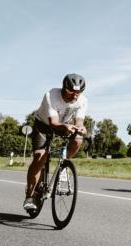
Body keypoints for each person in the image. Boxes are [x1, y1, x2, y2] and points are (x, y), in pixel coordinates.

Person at [23, 73, 89, 212]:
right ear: (64, 88)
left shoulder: (83, 101)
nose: (75, 95)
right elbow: (53, 122)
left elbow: (79, 121)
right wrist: (65, 127)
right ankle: (29, 196)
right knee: (40, 157)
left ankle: (64, 167)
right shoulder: (51, 95)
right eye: (71, 92)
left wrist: (81, 128)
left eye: (78, 92)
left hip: (65, 124)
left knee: (78, 139)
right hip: (44, 124)